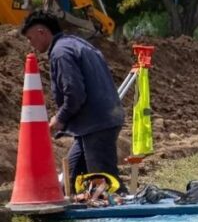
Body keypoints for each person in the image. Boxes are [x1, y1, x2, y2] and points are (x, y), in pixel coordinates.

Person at [21, 10, 125, 188]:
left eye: (30, 38)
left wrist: (60, 119)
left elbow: (75, 94)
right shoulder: (75, 44)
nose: (31, 45)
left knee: (103, 185)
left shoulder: (61, 53)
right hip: (96, 123)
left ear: (41, 32)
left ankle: (121, 212)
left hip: (96, 125)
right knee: (69, 181)